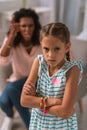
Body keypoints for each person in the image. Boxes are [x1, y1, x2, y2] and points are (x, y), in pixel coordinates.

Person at [21, 22, 84, 130]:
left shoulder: (72, 70)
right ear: (41, 46)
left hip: (61, 126)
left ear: (67, 47)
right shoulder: (39, 62)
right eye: (46, 49)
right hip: (38, 124)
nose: (50, 55)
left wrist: (37, 101)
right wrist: (50, 101)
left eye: (57, 49)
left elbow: (65, 112)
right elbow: (24, 101)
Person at [0, 8, 42, 129]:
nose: (27, 29)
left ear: (35, 26)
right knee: (3, 102)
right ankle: (10, 116)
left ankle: (31, 126)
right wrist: (12, 36)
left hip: (37, 81)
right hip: (18, 80)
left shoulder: (42, 39)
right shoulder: (11, 39)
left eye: (30, 25)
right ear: (18, 27)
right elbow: (3, 60)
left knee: (11, 90)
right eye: (23, 26)